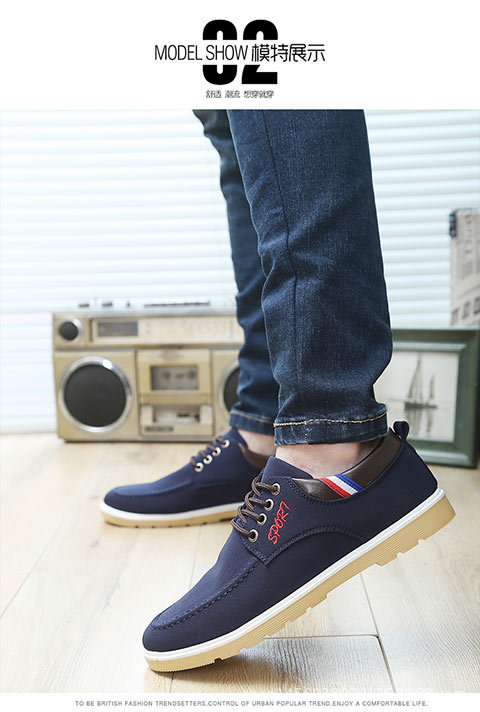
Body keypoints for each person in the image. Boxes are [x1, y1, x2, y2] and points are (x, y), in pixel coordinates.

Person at [100, 111, 455, 672]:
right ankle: (263, 431)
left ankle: (328, 444)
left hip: (333, 443)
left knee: (285, 100)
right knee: (236, 125)